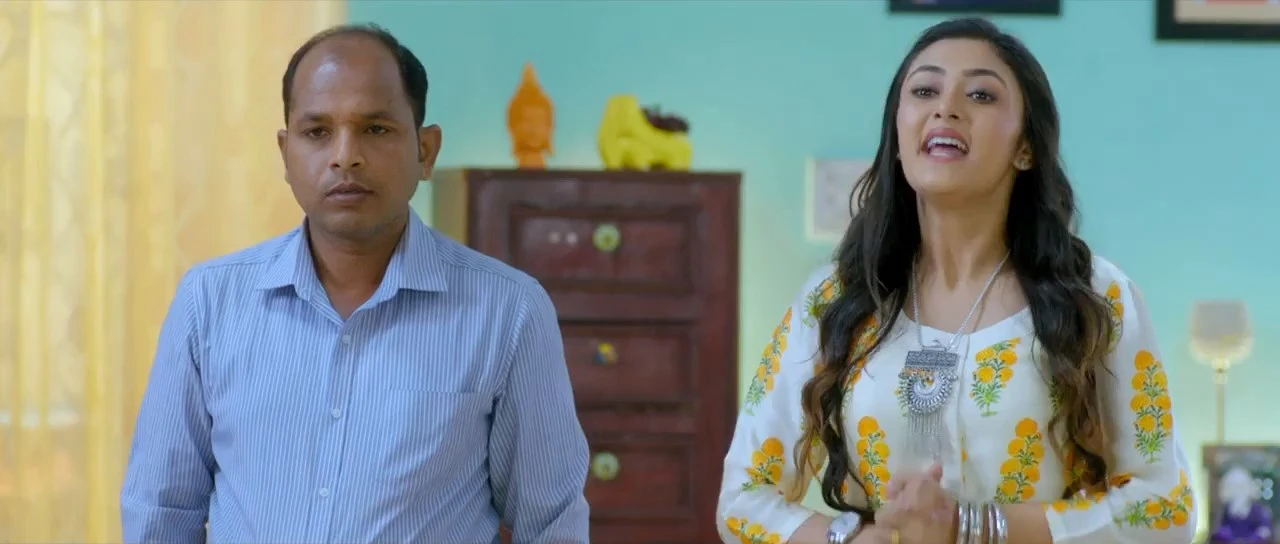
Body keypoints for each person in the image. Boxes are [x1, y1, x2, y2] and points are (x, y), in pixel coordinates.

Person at [717, 18, 1195, 544]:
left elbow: (1165, 510)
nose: (945, 108)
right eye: (924, 91)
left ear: (1026, 147)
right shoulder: (835, 299)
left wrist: (970, 527)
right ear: (898, 137)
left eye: (981, 95)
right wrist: (855, 540)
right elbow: (742, 501)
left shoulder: (1097, 298)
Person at [120, 24, 590, 543]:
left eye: (376, 129)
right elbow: (160, 512)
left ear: (426, 151)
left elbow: (552, 525)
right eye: (317, 132)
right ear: (285, 153)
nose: (345, 155)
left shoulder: (508, 312)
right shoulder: (210, 303)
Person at [1211, 465, 1274, 543]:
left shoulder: (1258, 510)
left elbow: (1265, 530)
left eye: (1241, 486)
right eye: (1234, 487)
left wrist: (1255, 537)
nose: (1237, 491)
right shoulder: (1226, 510)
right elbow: (1220, 529)